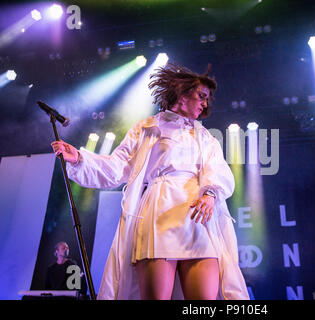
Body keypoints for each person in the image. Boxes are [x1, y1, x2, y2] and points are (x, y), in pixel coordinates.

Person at [51, 63, 249, 300]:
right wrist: (80, 158)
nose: (205, 104)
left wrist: (211, 194)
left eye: (207, 99)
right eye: (201, 96)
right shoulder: (147, 128)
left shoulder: (205, 136)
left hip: (198, 217)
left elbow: (217, 169)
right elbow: (118, 167)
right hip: (159, 213)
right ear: (182, 93)